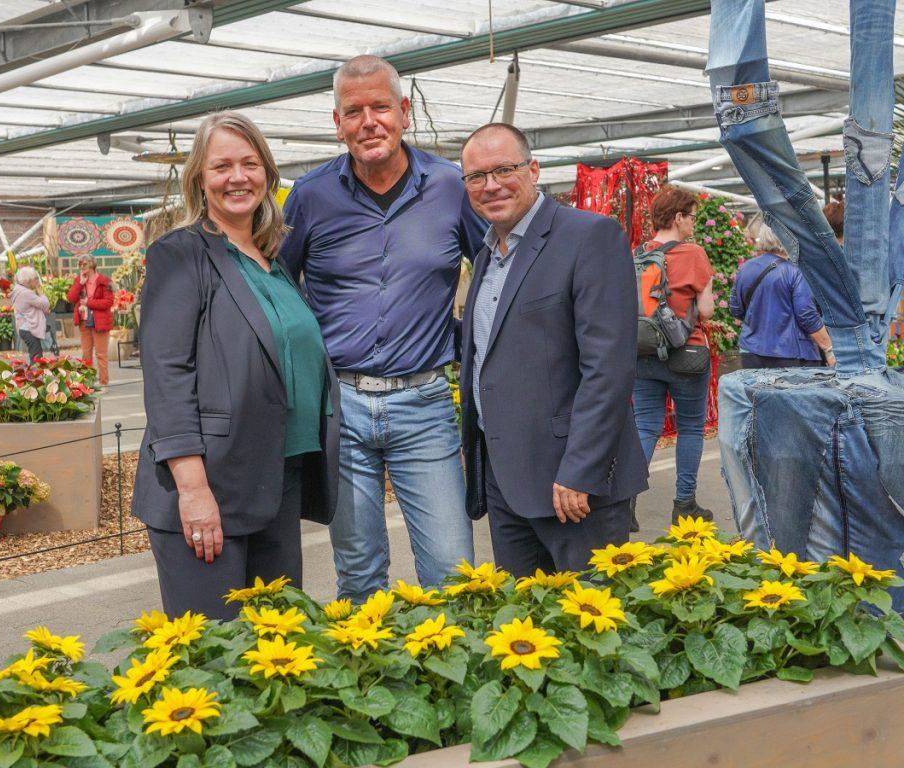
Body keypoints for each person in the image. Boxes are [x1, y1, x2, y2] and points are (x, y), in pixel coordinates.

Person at [280, 55, 483, 601]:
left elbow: (495, 271)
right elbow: (277, 284)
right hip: (340, 407)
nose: (369, 122)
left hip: (425, 403)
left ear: (405, 112)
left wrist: (466, 340)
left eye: (380, 107)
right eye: (354, 111)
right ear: (337, 122)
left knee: (452, 570)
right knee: (360, 573)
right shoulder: (310, 195)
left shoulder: (450, 187)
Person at [132, 112, 339, 621]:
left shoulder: (272, 259)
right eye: (221, 166)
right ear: (199, 180)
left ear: (267, 174)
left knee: (275, 647)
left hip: (274, 477)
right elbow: (167, 374)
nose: (237, 177)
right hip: (212, 485)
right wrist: (194, 490)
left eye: (249, 164)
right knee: (214, 659)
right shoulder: (180, 255)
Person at [458, 123, 648, 576]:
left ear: (534, 169)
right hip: (508, 481)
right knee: (526, 628)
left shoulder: (588, 237)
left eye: (504, 169)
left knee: (590, 627)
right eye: (476, 177)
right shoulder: (487, 254)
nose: (491, 186)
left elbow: (608, 367)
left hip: (573, 486)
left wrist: (581, 469)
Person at [631, 185, 716, 527]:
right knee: (691, 427)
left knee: (646, 425)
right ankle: (685, 504)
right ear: (678, 217)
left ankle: (626, 501)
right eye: (692, 216)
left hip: (643, 353)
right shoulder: (693, 254)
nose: (694, 222)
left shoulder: (638, 253)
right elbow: (707, 311)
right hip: (686, 355)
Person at [730, 223, 836, 369]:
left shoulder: (745, 268)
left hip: (751, 351)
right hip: (791, 355)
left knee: (756, 392)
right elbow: (807, 315)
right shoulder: (795, 272)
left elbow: (735, 309)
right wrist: (829, 349)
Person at [66, 256, 113, 386]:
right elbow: (71, 298)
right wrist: (80, 283)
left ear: (92, 264)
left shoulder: (104, 281)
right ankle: (86, 384)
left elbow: (108, 302)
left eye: (84, 263)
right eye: (80, 264)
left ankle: (104, 383)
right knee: (86, 354)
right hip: (84, 322)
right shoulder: (79, 280)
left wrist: (89, 302)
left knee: (101, 354)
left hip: (100, 322)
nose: (81, 266)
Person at [9, 266, 50, 363]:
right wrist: (40, 291)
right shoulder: (26, 293)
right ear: (28, 280)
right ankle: (33, 376)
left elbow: (33, 307)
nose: (38, 281)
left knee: (36, 354)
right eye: (35, 278)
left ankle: (34, 375)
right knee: (36, 357)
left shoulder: (19, 291)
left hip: (24, 327)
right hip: (28, 328)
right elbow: (45, 303)